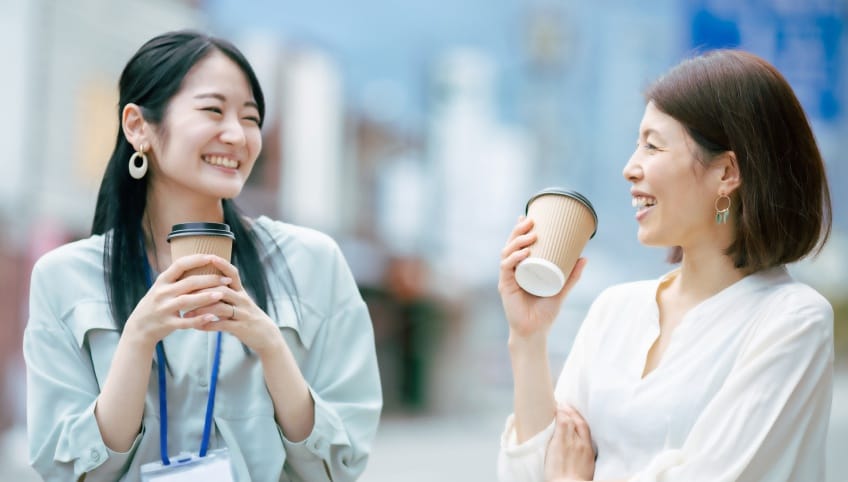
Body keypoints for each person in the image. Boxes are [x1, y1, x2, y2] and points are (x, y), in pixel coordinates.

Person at [24, 30, 382, 481]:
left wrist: (271, 346)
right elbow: (67, 472)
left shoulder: (313, 263)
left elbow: (340, 466)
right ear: (137, 126)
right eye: (213, 110)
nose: (237, 135)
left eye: (250, 118)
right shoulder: (65, 277)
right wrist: (137, 339)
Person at [497, 49, 834, 481]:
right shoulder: (615, 309)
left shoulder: (792, 321)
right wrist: (527, 338)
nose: (629, 169)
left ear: (727, 172)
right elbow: (532, 472)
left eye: (652, 146)